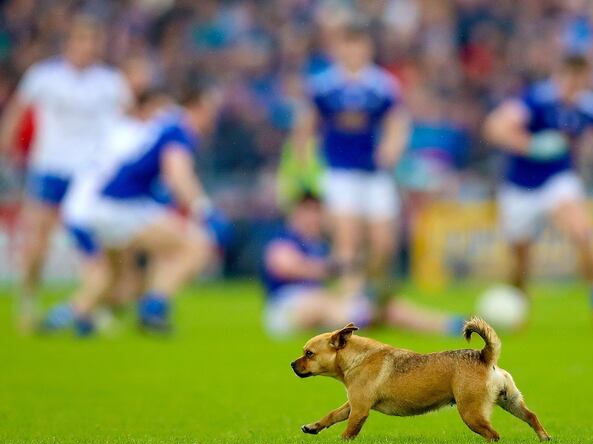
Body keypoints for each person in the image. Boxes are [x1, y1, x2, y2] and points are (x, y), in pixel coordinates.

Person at [41, 86, 229, 336]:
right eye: (210, 112)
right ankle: (153, 309)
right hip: (121, 206)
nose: (213, 120)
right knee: (195, 245)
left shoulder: (161, 126)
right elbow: (178, 173)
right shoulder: (179, 130)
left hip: (102, 205)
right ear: (197, 107)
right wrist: (203, 210)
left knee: (114, 284)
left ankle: (66, 317)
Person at [0, 16, 131, 332]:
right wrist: (6, 150)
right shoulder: (44, 77)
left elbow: (125, 125)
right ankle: (29, 300)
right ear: (69, 44)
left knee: (97, 246)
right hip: (50, 168)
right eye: (82, 41)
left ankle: (93, 307)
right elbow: (17, 114)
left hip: (90, 175)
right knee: (37, 243)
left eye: (93, 41)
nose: (87, 48)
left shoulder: (111, 82)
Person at [483, 55, 593, 330]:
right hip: (520, 186)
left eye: (581, 80)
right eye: (570, 79)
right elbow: (495, 127)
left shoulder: (590, 106)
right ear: (560, 76)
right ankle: (518, 311)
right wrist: (531, 145)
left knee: (582, 232)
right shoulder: (537, 99)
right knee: (520, 261)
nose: (574, 86)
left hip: (558, 180)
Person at [289, 20, 409, 296]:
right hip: (339, 170)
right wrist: (303, 160)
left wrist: (391, 148)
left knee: (383, 243)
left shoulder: (382, 84)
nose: (354, 52)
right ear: (339, 48)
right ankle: (349, 300)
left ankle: (374, 293)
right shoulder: (324, 85)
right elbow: (306, 124)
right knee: (347, 238)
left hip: (374, 172)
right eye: (348, 45)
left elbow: (397, 122)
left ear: (368, 49)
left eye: (359, 45)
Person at [260, 191, 463, 337]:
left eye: (316, 211)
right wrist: (335, 267)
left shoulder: (320, 245)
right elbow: (284, 265)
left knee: (390, 308)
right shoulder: (286, 238)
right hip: (286, 311)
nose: (313, 217)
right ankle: (362, 313)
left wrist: (349, 282)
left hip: (324, 310)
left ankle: (451, 325)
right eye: (308, 211)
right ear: (296, 213)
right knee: (320, 302)